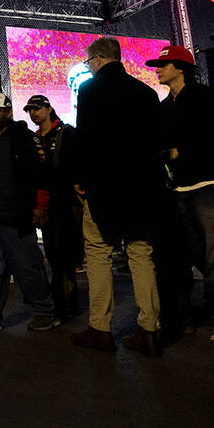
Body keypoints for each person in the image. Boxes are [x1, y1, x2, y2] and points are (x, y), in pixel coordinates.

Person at [69, 37, 164, 356]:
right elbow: (155, 143)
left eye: (87, 62)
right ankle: (149, 330)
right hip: (142, 189)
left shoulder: (90, 90)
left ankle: (100, 329)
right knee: (141, 254)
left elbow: (86, 138)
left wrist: (81, 180)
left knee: (97, 252)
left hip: (104, 189)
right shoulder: (147, 93)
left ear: (96, 59)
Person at [149, 45, 214, 346]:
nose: (158, 68)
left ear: (181, 67)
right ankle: (187, 315)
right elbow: (159, 149)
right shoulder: (164, 108)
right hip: (179, 191)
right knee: (184, 258)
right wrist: (170, 154)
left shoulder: (207, 97)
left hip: (213, 187)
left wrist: (180, 151)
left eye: (163, 64)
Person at [0, 93, 59, 333]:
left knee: (28, 266)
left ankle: (45, 312)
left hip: (16, 218)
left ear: (8, 112)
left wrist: (40, 206)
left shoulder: (24, 138)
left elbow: (39, 174)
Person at [23, 95, 83, 322]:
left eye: (37, 109)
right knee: (53, 254)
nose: (33, 113)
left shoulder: (67, 133)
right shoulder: (34, 139)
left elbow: (77, 164)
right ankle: (68, 303)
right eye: (30, 110)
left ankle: (64, 304)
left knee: (64, 256)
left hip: (65, 204)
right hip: (45, 206)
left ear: (49, 109)